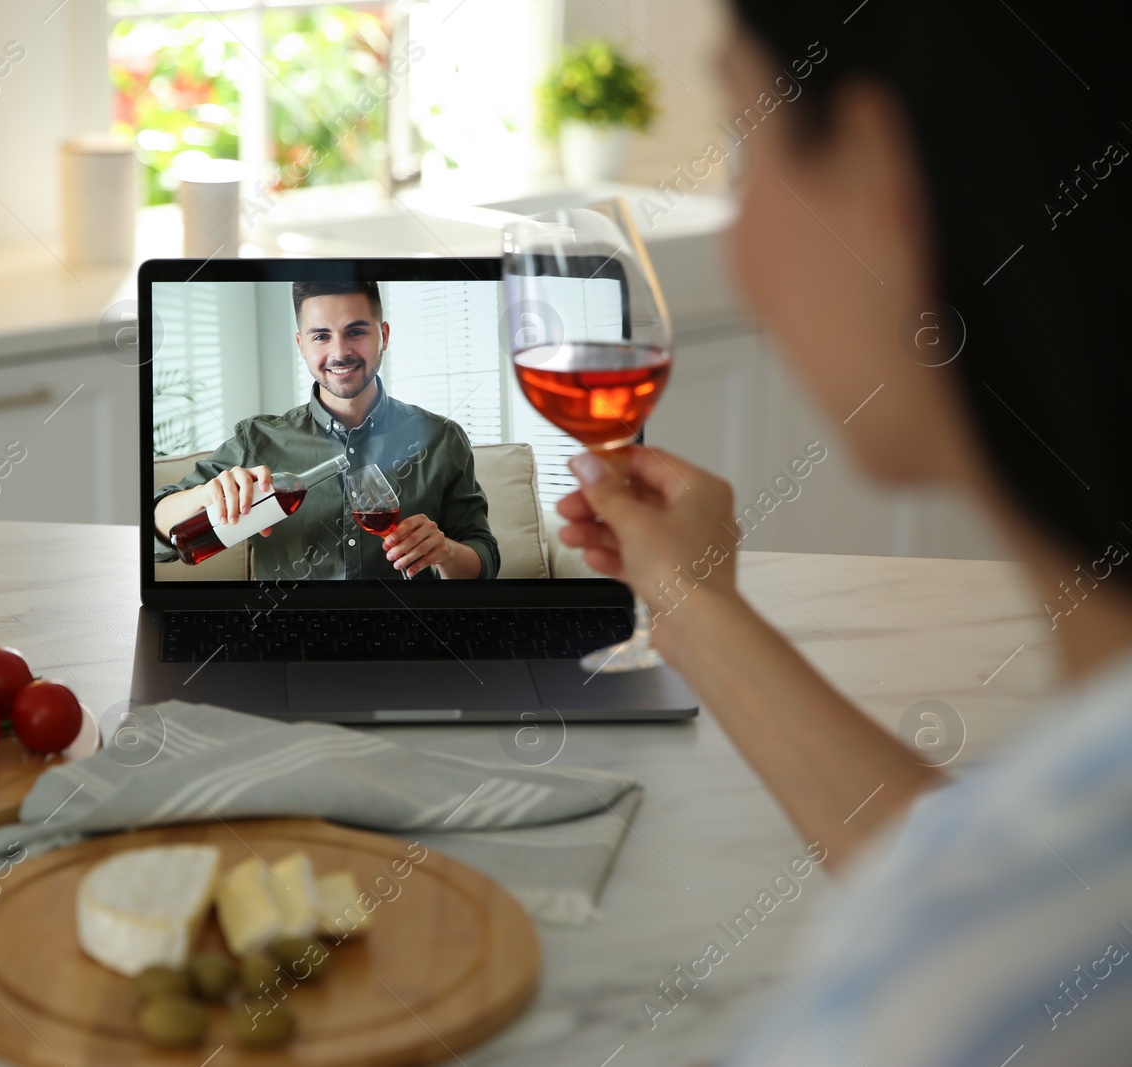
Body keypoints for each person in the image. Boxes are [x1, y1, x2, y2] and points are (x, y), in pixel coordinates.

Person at [557, 1, 1132, 1062]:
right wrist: (692, 599)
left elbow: (986, 935)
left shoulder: (930, 1003)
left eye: (742, 147)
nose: (737, 251)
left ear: (876, 181)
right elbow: (984, 870)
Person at [153, 280, 499, 580]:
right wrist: (203, 496)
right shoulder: (256, 440)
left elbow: (484, 560)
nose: (340, 352)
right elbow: (154, 539)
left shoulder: (442, 438)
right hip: (286, 636)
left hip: (413, 630)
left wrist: (446, 553)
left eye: (356, 331)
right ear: (301, 345)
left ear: (384, 336)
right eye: (321, 336)